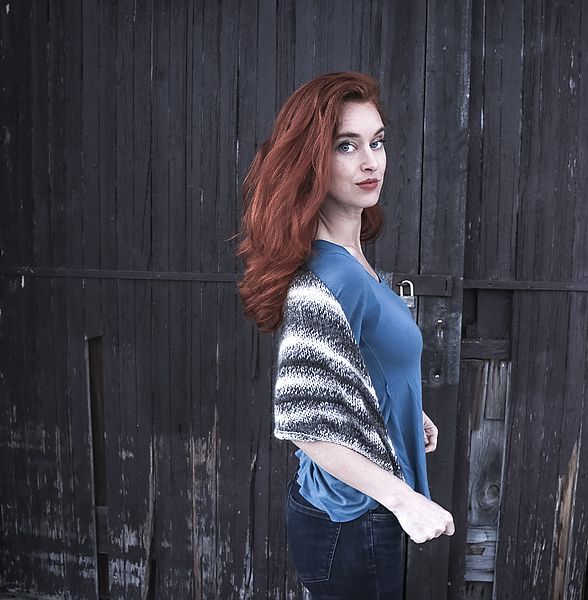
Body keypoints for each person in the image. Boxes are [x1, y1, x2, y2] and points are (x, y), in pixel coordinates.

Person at [236, 71, 454, 599]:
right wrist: (406, 501)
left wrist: (401, 409)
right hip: (351, 519)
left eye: (377, 142)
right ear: (312, 160)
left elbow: (360, 367)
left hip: (353, 510)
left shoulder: (355, 262)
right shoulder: (327, 279)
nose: (370, 161)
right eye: (346, 146)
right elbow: (305, 424)